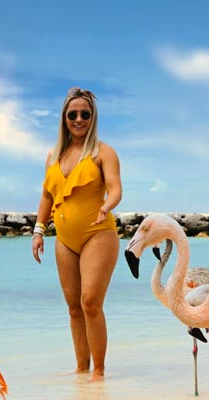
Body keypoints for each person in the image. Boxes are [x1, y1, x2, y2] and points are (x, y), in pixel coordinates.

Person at [32, 87, 122, 379]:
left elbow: (116, 188)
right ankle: (81, 368)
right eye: (73, 114)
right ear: (64, 118)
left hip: (99, 234)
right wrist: (38, 231)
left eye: (85, 114)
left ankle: (99, 370)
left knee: (90, 302)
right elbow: (47, 196)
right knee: (73, 308)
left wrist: (107, 206)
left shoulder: (103, 152)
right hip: (65, 241)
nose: (79, 119)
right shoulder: (53, 156)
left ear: (93, 117)